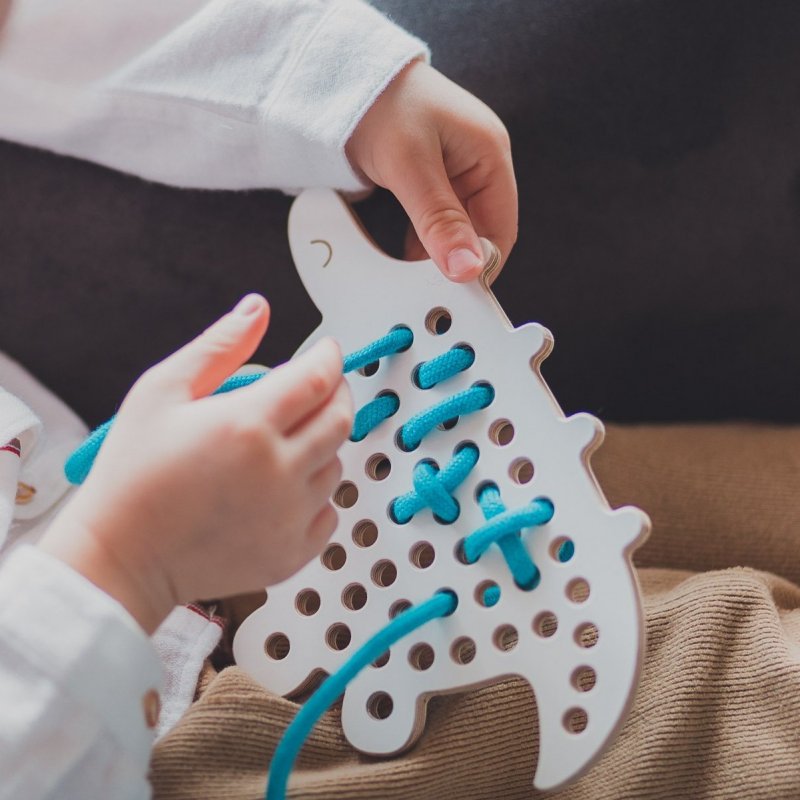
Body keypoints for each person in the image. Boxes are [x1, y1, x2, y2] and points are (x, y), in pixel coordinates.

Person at [0, 1, 516, 797]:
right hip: (157, 737)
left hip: (222, 514)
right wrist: (125, 562)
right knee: (699, 672)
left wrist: (342, 88)